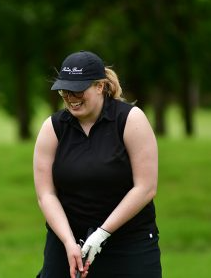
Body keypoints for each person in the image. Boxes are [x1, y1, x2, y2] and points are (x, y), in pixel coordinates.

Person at [33, 51, 161, 278]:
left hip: (128, 241)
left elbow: (145, 188)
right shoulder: (53, 128)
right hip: (67, 241)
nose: (71, 97)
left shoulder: (130, 120)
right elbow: (46, 194)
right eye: (65, 91)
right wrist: (68, 241)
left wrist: (102, 233)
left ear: (100, 86)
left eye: (78, 90)